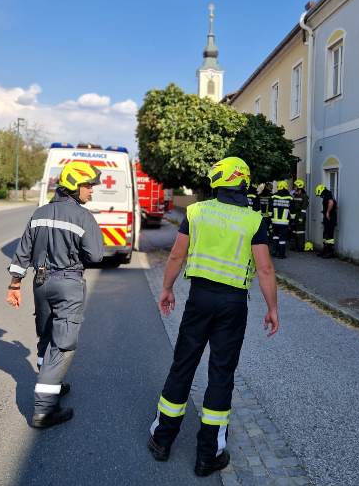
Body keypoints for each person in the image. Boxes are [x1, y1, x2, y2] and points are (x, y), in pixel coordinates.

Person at [148, 157, 279, 477]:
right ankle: (209, 454)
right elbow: (264, 269)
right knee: (221, 373)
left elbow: (177, 255)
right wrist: (272, 308)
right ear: (243, 182)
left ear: (218, 181)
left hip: (199, 299)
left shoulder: (196, 212)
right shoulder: (253, 220)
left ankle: (162, 440)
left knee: (183, 365)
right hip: (233, 304)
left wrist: (167, 288)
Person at [6, 160, 104, 429]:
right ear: (74, 186)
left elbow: (22, 253)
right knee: (62, 344)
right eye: (88, 185)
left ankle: (52, 382)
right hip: (68, 283)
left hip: (40, 283)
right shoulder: (83, 217)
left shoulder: (39, 213)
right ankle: (44, 410)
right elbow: (96, 256)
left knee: (47, 335)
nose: (92, 190)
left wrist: (14, 285)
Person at [270, 181, 293, 258]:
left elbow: (270, 210)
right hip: (284, 223)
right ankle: (281, 254)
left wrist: (270, 218)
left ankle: (274, 252)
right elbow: (292, 211)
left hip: (274, 221)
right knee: (282, 238)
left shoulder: (273, 196)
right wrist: (292, 220)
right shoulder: (290, 197)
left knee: (275, 236)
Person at [315, 184, 337, 258]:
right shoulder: (326, 194)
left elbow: (331, 202)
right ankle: (325, 250)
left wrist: (327, 212)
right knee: (325, 234)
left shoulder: (328, 194)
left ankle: (330, 252)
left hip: (330, 218)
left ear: (321, 190)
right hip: (327, 217)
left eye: (319, 194)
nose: (320, 196)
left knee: (329, 235)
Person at [290, 179, 309, 252]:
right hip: (294, 216)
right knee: (294, 232)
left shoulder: (304, 196)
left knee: (300, 232)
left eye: (295, 186)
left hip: (300, 216)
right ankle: (294, 246)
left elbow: (304, 209)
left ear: (299, 187)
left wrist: (301, 218)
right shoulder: (294, 195)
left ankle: (300, 247)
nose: (294, 188)